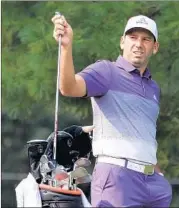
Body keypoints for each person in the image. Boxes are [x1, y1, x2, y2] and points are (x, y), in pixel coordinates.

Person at [51, 13, 172, 207]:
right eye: (133, 37)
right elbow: (68, 87)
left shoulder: (153, 88)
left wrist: (158, 173)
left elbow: (146, 136)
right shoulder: (106, 71)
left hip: (153, 185)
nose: (138, 44)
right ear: (122, 42)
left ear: (154, 47)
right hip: (117, 178)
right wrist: (66, 47)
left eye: (146, 39)